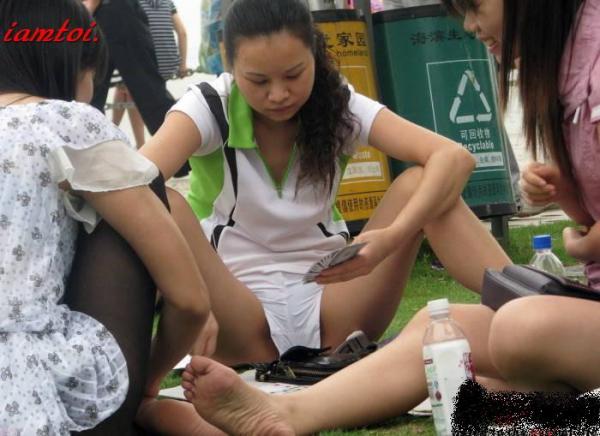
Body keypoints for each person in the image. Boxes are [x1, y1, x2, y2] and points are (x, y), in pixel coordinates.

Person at [172, 0, 600, 434]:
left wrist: (393, 236)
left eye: (294, 74)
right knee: (438, 331)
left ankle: (524, 308)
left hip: (332, 305)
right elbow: (140, 183)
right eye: (259, 81)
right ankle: (278, 412)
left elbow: (454, 158)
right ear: (229, 63)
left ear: (314, 55)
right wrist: (191, 301)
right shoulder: (208, 105)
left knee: (428, 195)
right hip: (238, 313)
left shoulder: (335, 101)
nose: (279, 94)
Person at [0, 0, 213, 433]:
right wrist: (150, 380)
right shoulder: (65, 122)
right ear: (75, 63)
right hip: (33, 392)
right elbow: (191, 301)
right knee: (137, 185)